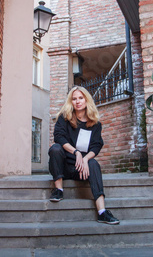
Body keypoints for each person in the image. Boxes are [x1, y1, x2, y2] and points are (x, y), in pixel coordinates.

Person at [48, 86, 120, 225]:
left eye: (81, 98)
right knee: (55, 148)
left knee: (94, 163)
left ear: (87, 100)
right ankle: (58, 189)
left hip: (81, 169)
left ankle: (102, 212)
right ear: (71, 102)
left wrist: (85, 158)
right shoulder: (64, 117)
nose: (77, 101)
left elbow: (96, 145)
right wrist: (76, 153)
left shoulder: (95, 124)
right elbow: (59, 137)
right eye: (74, 99)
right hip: (63, 166)